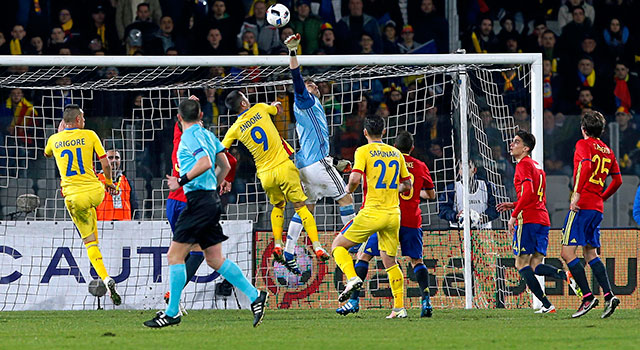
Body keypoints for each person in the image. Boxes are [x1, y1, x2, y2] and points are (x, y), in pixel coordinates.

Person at [143, 98, 267, 328]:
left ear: (179, 118)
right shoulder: (208, 134)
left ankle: (172, 312)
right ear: (201, 116)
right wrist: (213, 187)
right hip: (210, 199)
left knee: (174, 256)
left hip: (198, 201)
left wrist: (179, 181)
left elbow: (205, 162)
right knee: (214, 259)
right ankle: (255, 296)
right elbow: (226, 166)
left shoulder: (189, 137)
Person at [336, 131, 435, 318]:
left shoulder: (387, 158)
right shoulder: (421, 166)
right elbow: (430, 195)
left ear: (395, 146)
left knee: (364, 256)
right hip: (411, 220)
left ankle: (354, 301)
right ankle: (425, 300)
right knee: (416, 261)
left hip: (384, 214)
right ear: (412, 148)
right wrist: (415, 194)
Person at [278, 33, 355, 274]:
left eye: (316, 85)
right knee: (346, 199)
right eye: (312, 85)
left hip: (306, 165)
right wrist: (293, 52)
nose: (315, 87)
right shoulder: (305, 101)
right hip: (316, 164)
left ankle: (288, 251)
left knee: (306, 210)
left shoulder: (313, 109)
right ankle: (353, 243)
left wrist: (335, 162)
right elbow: (297, 80)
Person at [222, 90, 328, 263]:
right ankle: (317, 246)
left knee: (278, 206)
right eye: (245, 97)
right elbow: (276, 110)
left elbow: (222, 149)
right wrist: (275, 105)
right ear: (243, 103)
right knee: (301, 207)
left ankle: (278, 243)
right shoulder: (260, 108)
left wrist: (226, 174)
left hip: (265, 174)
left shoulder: (235, 128)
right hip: (284, 167)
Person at [331, 115, 412, 318]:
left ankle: (352, 278)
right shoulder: (396, 153)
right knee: (390, 261)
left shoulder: (363, 151)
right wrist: (394, 188)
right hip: (393, 214)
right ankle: (399, 307)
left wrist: (348, 190)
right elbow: (407, 186)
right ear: (384, 132)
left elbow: (355, 178)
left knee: (337, 246)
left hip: (372, 212)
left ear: (365, 132)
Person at [162, 96, 238, 310]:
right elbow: (228, 162)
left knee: (182, 253)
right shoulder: (204, 137)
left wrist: (189, 103)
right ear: (201, 118)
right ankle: (172, 299)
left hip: (173, 203)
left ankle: (173, 303)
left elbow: (185, 117)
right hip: (193, 201)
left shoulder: (180, 137)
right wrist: (225, 181)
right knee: (197, 253)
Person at [43, 104, 121, 306]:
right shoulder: (90, 135)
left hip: (74, 199)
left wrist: (60, 136)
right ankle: (106, 278)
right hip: (96, 193)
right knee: (94, 224)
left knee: (90, 243)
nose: (84, 121)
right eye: (83, 118)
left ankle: (104, 277)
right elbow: (105, 164)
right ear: (78, 120)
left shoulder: (54, 139)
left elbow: (47, 154)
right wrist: (110, 183)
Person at [497, 130, 579, 314]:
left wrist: (513, 215)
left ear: (526, 148)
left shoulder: (523, 165)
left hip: (528, 220)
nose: (512, 144)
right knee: (534, 266)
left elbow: (528, 193)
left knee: (521, 264)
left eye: (516, 142)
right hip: (542, 219)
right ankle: (563, 274)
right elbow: (535, 196)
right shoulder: (537, 167)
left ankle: (547, 304)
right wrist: (513, 204)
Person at [560, 111, 623, 319]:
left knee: (567, 253)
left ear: (583, 129)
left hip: (582, 204)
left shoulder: (582, 144)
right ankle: (608, 295)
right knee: (591, 253)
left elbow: (585, 166)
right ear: (602, 131)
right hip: (596, 207)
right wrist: (602, 197)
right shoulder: (608, 151)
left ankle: (587, 297)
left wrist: (576, 195)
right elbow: (618, 181)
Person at [438, 159, 499, 229]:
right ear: (459, 172)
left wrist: (483, 217)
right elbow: (441, 208)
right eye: (462, 168)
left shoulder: (487, 186)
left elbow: (496, 207)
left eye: (468, 167)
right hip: (458, 231)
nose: (465, 171)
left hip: (483, 230)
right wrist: (455, 216)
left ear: (474, 170)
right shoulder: (452, 188)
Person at [96, 149, 139, 221]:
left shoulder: (127, 182)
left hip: (124, 226)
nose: (114, 160)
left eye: (117, 158)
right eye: (110, 158)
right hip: (103, 226)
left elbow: (135, 207)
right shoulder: (97, 181)